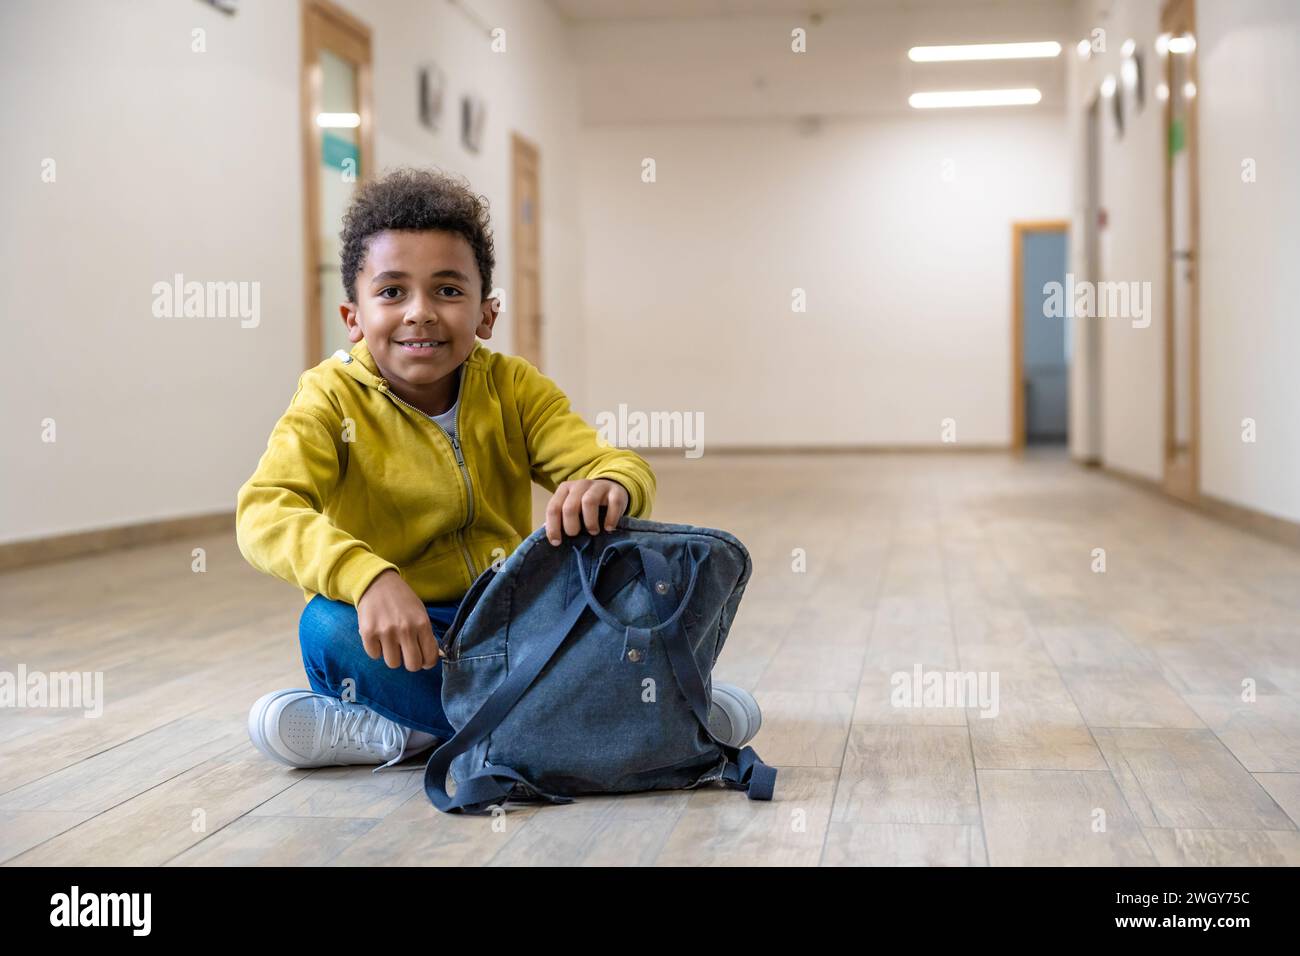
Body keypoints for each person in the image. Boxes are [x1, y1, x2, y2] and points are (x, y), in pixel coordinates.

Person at [237, 166, 759, 773]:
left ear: (486, 315)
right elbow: (265, 510)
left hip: (511, 617)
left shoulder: (512, 387)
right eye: (391, 292)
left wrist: (609, 484)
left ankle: (413, 734)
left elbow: (613, 461)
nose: (420, 313)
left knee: (630, 586)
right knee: (326, 627)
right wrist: (366, 576)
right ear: (353, 318)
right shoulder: (329, 399)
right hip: (411, 635)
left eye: (448, 291)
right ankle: (645, 720)